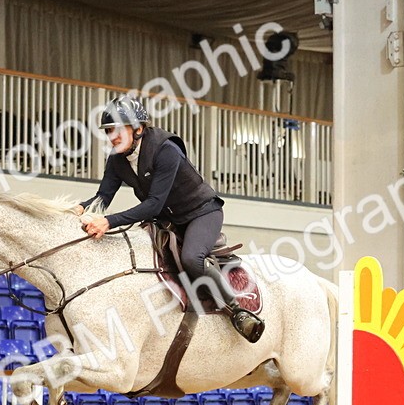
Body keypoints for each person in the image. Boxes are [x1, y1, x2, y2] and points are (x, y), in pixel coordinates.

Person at [74, 95, 265, 343]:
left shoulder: (165, 149)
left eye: (118, 130)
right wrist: (79, 208)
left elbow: (153, 204)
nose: (113, 137)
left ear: (138, 128)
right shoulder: (116, 159)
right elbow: (103, 196)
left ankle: (238, 311)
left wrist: (108, 222)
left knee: (191, 258)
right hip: (167, 220)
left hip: (202, 212)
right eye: (109, 131)